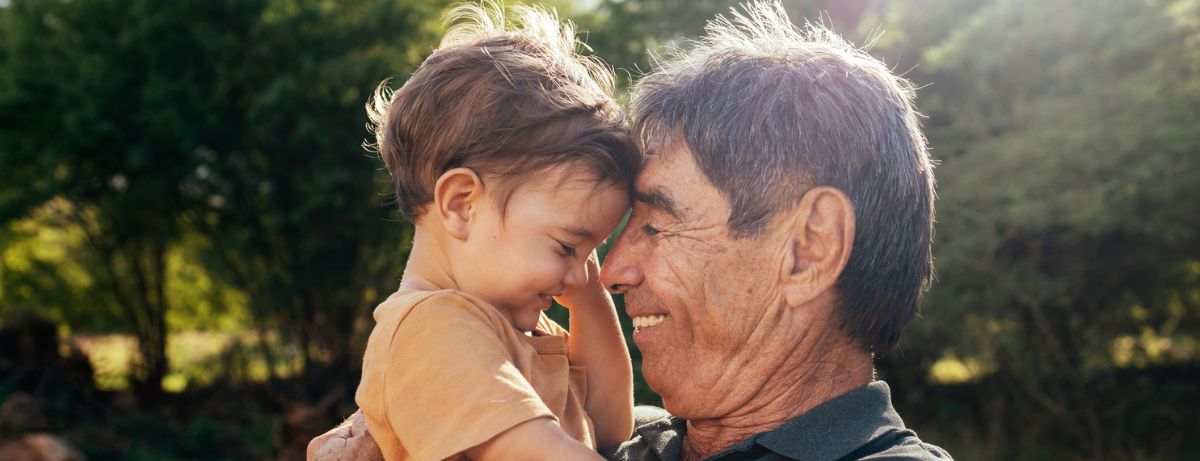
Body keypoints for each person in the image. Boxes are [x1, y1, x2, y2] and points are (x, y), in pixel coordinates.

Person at [310, 1, 952, 459]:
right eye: (579, 242)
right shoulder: (636, 441)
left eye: (657, 222)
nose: (610, 272)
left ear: (809, 248)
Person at [348, 2, 639, 460]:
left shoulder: (516, 327)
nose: (582, 275)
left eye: (591, 253)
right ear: (462, 205)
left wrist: (586, 300)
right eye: (567, 246)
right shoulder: (429, 329)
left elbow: (608, 426)